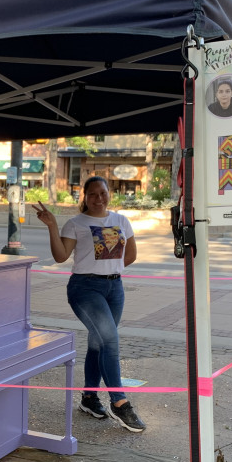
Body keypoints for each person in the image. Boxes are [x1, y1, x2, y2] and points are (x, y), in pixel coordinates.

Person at [31, 176, 146, 432]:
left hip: (114, 288)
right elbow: (61, 256)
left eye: (102, 193)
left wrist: (108, 269)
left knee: (98, 343)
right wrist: (52, 225)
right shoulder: (76, 224)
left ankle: (89, 398)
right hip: (85, 288)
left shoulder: (121, 220)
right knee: (110, 340)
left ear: (109, 194)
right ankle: (119, 402)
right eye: (92, 194)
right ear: (85, 197)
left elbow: (132, 255)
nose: (98, 198)